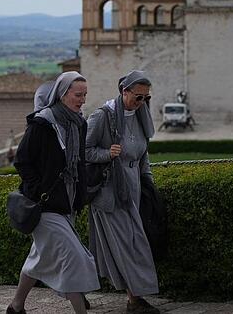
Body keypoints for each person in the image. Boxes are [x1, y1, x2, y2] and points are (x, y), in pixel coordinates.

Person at [8, 73, 98, 314]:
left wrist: (81, 196)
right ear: (62, 94)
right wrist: (38, 191)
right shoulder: (42, 124)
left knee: (38, 258)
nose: (82, 100)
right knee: (74, 258)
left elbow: (79, 163)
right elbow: (22, 162)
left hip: (66, 202)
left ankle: (16, 306)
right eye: (78, 95)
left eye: (84, 95)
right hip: (45, 206)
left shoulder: (79, 123)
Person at [85, 70, 160, 314]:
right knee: (127, 246)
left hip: (133, 191)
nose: (141, 103)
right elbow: (82, 152)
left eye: (145, 99)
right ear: (124, 91)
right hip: (110, 194)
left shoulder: (139, 116)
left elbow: (142, 155)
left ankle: (76, 289)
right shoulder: (102, 116)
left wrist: (148, 184)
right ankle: (134, 299)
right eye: (138, 97)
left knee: (133, 242)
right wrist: (107, 154)